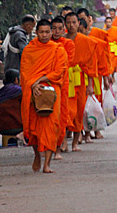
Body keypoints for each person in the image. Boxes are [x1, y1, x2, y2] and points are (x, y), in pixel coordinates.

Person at [20, 19, 68, 173]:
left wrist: (40, 80)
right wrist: (33, 85)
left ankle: (47, 164)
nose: (45, 35)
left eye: (48, 32)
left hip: (52, 92)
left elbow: (59, 71)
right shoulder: (29, 50)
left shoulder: (57, 49)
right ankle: (36, 155)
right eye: (42, 32)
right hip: (33, 92)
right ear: (36, 32)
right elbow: (24, 73)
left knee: (51, 126)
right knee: (33, 127)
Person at [65, 12, 98, 151]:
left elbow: (90, 63)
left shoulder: (85, 41)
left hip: (79, 81)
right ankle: (62, 142)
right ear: (65, 24)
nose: (71, 25)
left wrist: (90, 84)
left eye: (74, 22)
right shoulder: (62, 41)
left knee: (79, 111)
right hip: (65, 80)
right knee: (66, 111)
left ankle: (74, 143)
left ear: (78, 23)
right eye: (69, 23)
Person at [51, 17, 76, 159]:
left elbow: (68, 62)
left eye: (59, 28)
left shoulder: (68, 44)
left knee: (61, 115)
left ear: (63, 30)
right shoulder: (44, 45)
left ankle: (59, 145)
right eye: (53, 28)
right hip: (46, 83)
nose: (56, 31)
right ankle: (49, 145)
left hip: (62, 83)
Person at [0, 69, 22, 139]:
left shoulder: (2, 90)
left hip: (1, 128)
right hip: (16, 127)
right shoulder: (18, 90)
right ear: (16, 80)